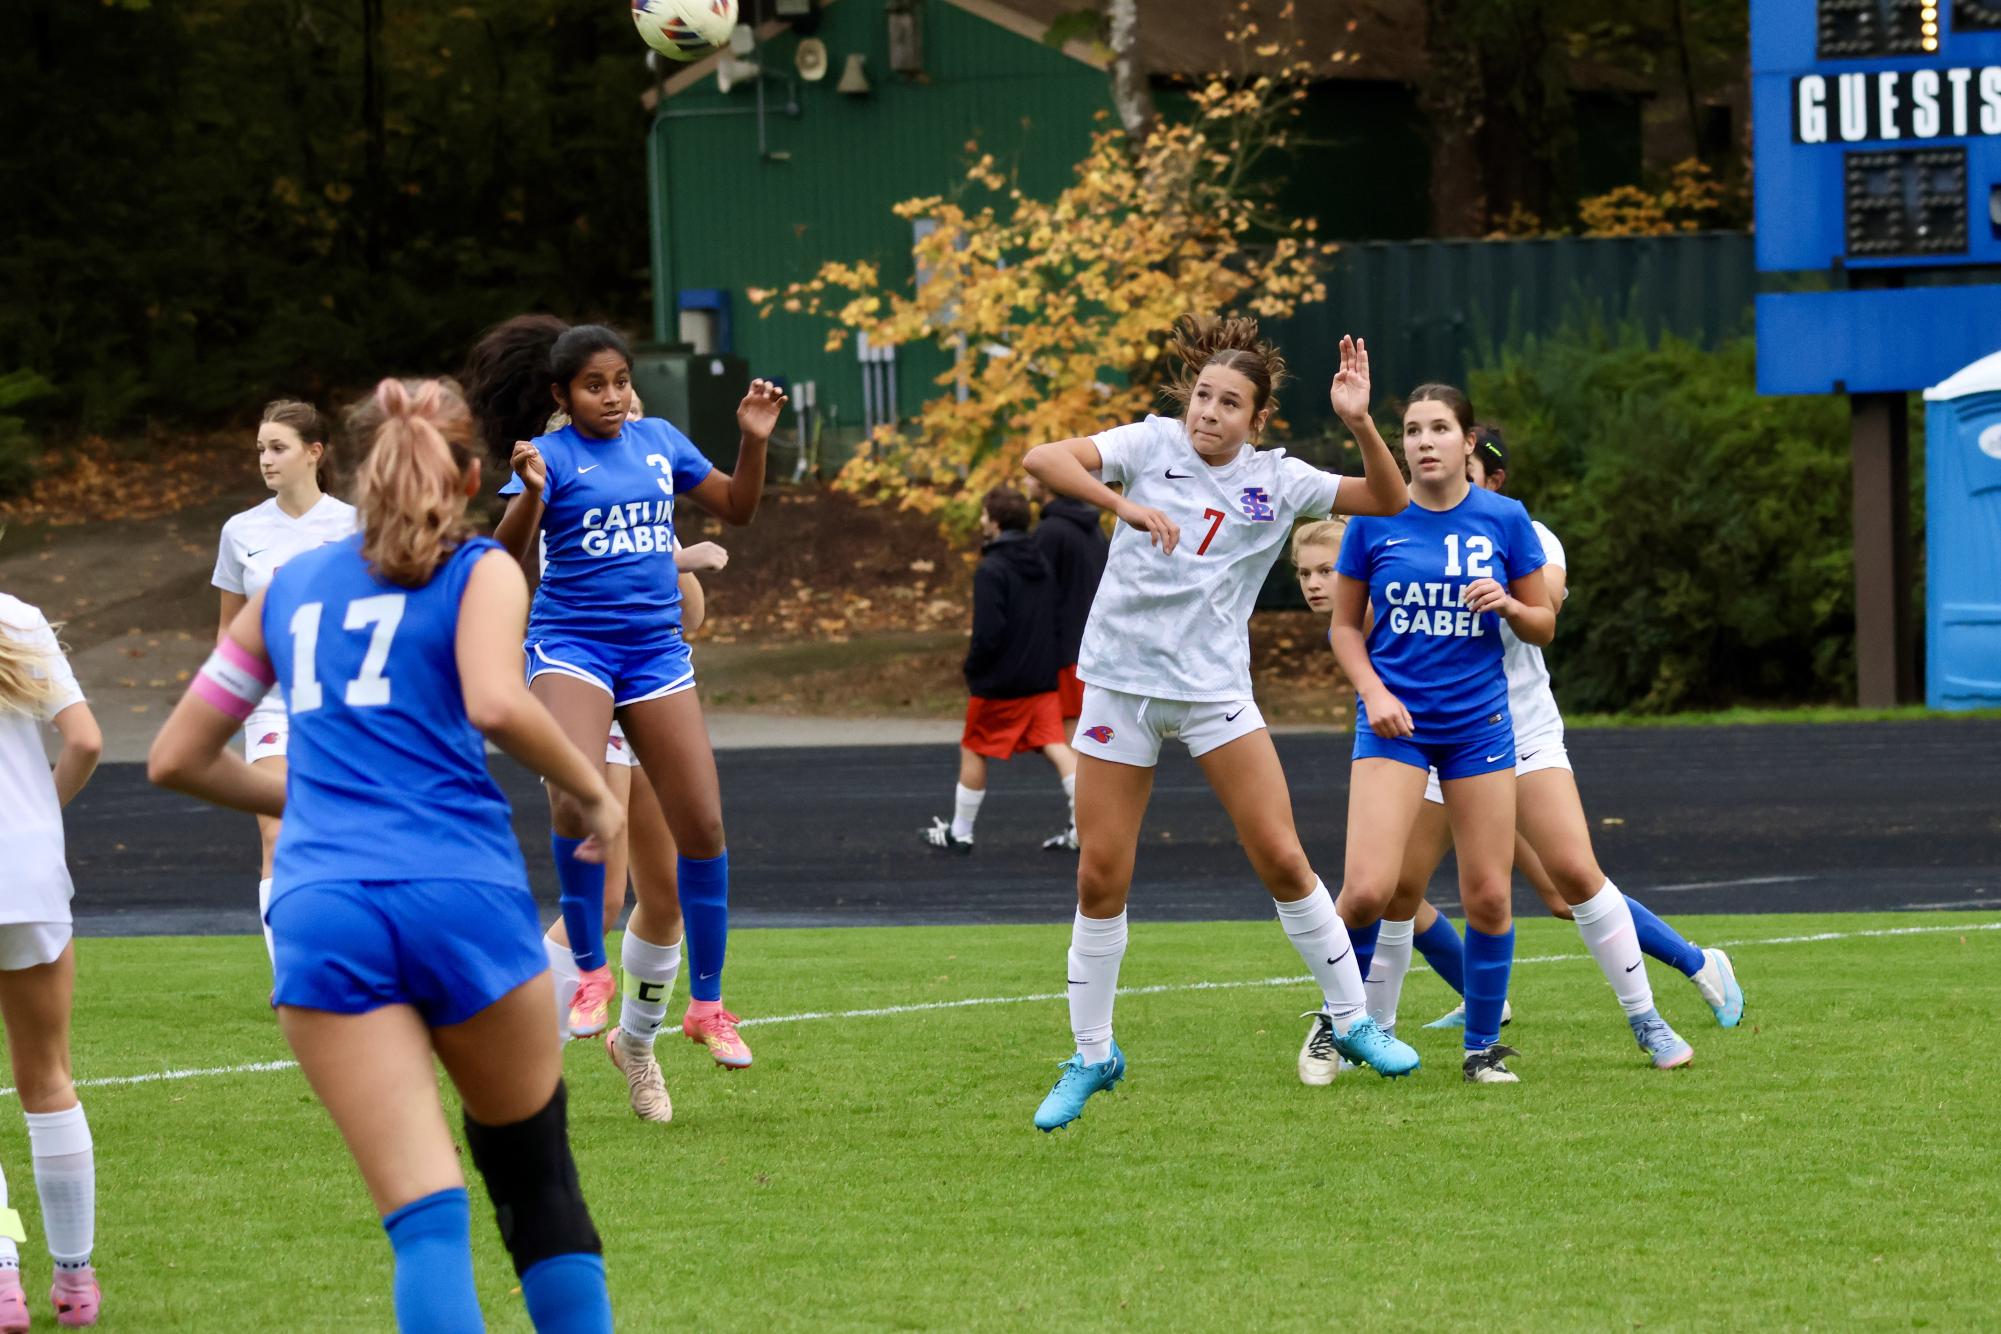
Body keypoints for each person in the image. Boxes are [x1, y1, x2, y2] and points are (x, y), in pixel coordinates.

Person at [149, 378, 621, 1332]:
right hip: (460, 893)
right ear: (476, 477)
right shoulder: (481, 567)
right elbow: (494, 701)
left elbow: (175, 758)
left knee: (426, 1224)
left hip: (327, 906)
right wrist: (597, 791)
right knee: (538, 1191)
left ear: (359, 475)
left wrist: (308, 795)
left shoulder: (287, 587)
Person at [1019, 318, 1415, 1133]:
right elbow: (1043, 460)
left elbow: (1388, 499)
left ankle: (1351, 1019)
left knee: (1279, 856)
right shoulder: (1148, 442)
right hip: (1120, 688)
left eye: (1229, 403)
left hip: (1210, 694)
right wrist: (1119, 504)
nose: (1208, 412)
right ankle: (1092, 1057)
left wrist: (1360, 421)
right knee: (1100, 875)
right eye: (1202, 395)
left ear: (1256, 419)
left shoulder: (1280, 478)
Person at [1308, 429, 1743, 1061]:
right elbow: (1373, 627)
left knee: (1568, 886)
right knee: (1397, 887)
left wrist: (1509, 597)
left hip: (1515, 733)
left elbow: (1551, 601)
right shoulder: (1407, 526)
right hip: (1439, 734)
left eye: (1467, 466)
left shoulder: (1522, 531)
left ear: (1488, 475)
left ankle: (1689, 973)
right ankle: (1379, 1026)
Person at [467, 316, 784, 1080]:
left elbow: (738, 506)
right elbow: (501, 564)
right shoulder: (547, 458)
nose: (610, 397)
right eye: (593, 385)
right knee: (575, 808)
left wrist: (753, 437)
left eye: (618, 382)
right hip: (572, 650)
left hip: (653, 655)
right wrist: (530, 497)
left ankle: (705, 1008)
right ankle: (591, 975)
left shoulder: (661, 443)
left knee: (701, 826)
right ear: (562, 394)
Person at [1326, 383, 1557, 1086]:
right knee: (1367, 890)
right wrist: (1373, 692)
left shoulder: (1504, 518)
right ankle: (1336, 1021)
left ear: (1465, 443)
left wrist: (1513, 605)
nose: (1422, 441)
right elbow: (1342, 628)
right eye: (1411, 430)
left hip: (1477, 726)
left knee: (1488, 894)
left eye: (1436, 429)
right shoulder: (1373, 519)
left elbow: (1543, 624)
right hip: (1395, 724)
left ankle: (1481, 1048)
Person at [211, 401, 357, 958]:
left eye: (278, 448)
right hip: (269, 703)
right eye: (260, 450)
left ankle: (346, 952)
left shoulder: (355, 526)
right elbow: (229, 629)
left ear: (314, 453)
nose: (266, 461)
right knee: (277, 830)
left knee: (338, 835)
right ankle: (292, 973)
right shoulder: (241, 530)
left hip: (343, 705)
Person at [0, 593, 104, 1329]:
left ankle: (3, 1276)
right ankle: (74, 1282)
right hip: (28, 871)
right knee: (48, 1078)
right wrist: (41, 817)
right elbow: (88, 741)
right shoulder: (19, 616)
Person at [922, 485, 1079, 853]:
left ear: (994, 521)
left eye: (983, 515)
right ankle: (1083, 821)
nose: (980, 520)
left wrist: (973, 668)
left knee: (974, 748)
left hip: (1001, 682)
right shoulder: (1040, 561)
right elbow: (1050, 617)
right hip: (1040, 678)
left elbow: (988, 633)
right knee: (1056, 745)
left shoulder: (991, 568)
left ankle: (960, 831)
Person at [1025, 467, 1109, 797]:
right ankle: (1087, 823)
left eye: (1033, 476)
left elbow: (1038, 598)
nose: (1027, 481)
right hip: (1092, 645)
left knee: (1070, 736)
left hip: (1067, 650)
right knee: (1087, 738)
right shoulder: (1092, 529)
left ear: (1048, 484)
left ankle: (1084, 824)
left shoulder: (1050, 532)